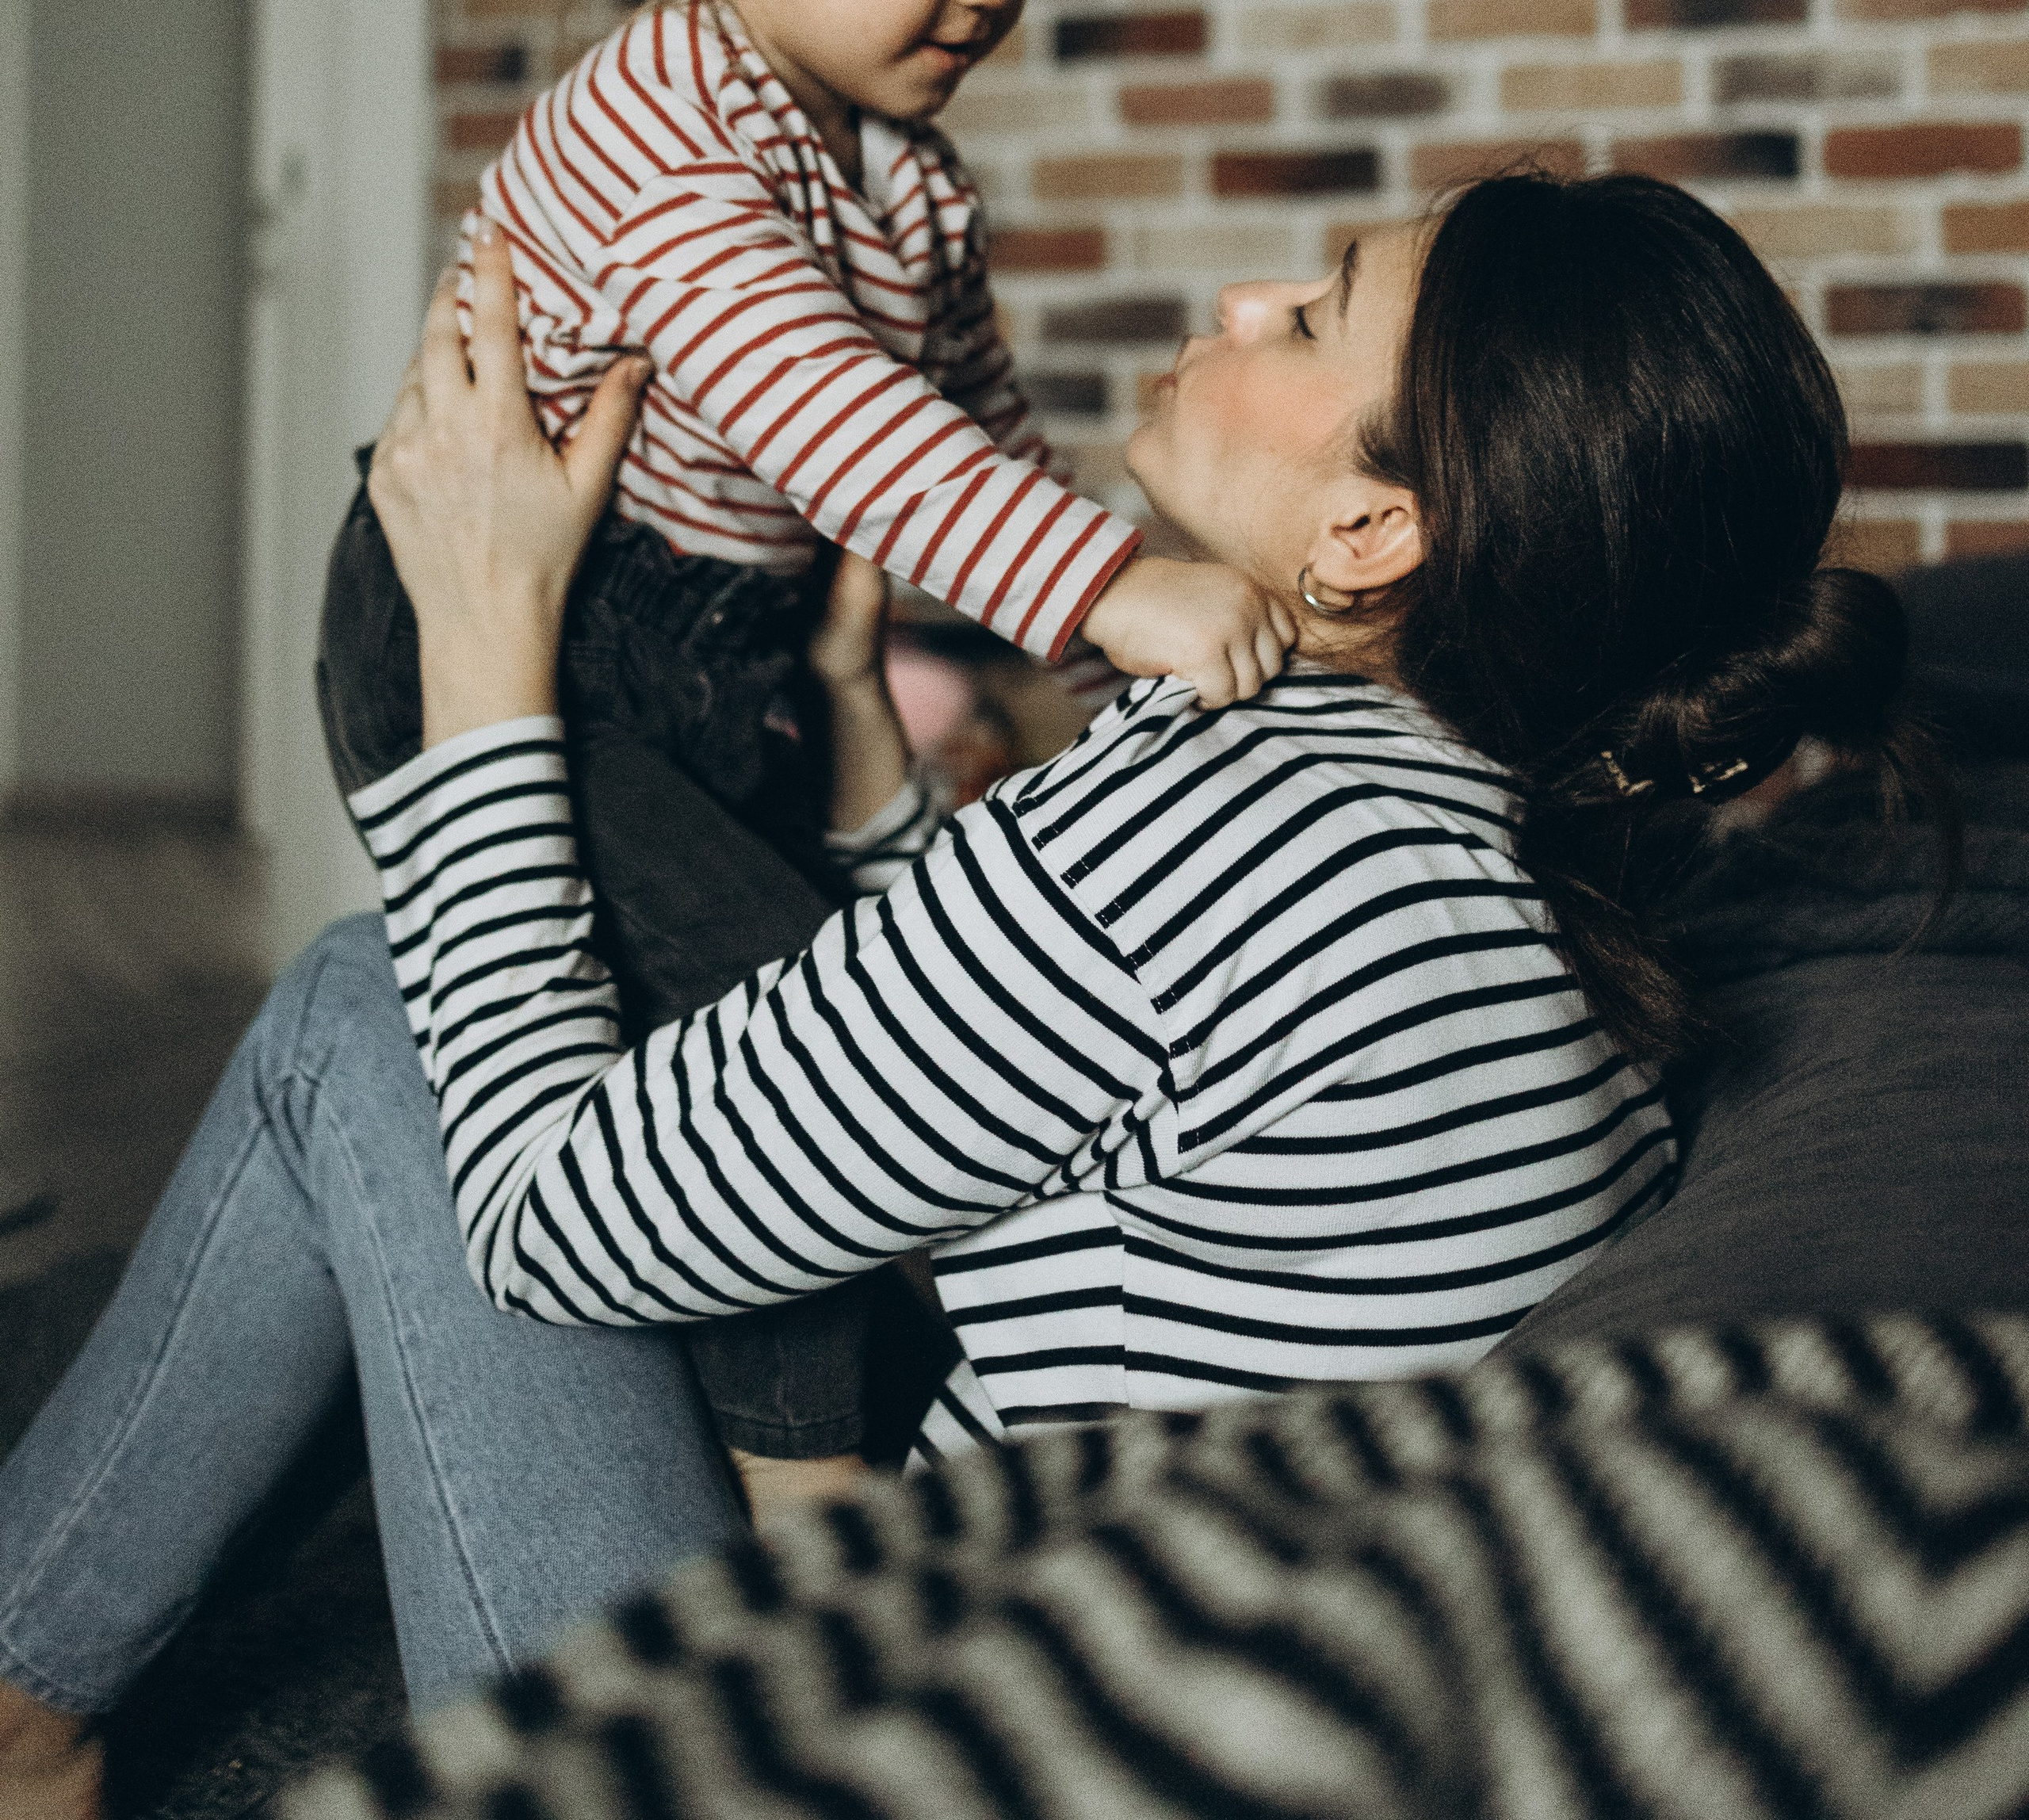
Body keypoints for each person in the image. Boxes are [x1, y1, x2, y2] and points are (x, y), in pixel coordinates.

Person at [0, 170, 1929, 1816]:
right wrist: (863, 746)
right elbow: (1009, 1044)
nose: (1248, 298)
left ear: (1368, 531)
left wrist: (483, 655)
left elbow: (550, 1224)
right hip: (1143, 1710)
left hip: (907, 1753)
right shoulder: (1480, 851)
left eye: (1314, 312)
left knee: (371, 1011)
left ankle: (15, 1703)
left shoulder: (1225, 812)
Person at [314, 0, 1292, 1508]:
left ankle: (674, 1394)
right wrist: (1108, 588)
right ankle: (798, 1479)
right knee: (766, 1027)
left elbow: (972, 432)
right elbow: (833, 419)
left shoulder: (904, 177)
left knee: (791, 997)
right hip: (516, 625)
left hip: (712, 643)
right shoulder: (673, 124)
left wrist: (1078, 635)